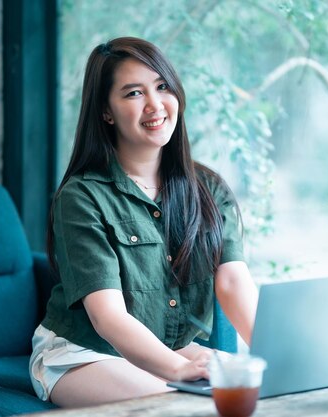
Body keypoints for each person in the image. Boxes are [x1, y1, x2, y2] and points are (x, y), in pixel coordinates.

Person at [29, 37, 259, 408]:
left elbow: (233, 283)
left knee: (248, 389)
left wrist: (281, 360)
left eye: (162, 86)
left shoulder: (209, 189)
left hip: (167, 350)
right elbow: (107, 318)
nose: (155, 105)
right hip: (84, 354)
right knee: (182, 404)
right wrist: (178, 370)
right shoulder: (82, 196)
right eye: (134, 93)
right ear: (106, 111)